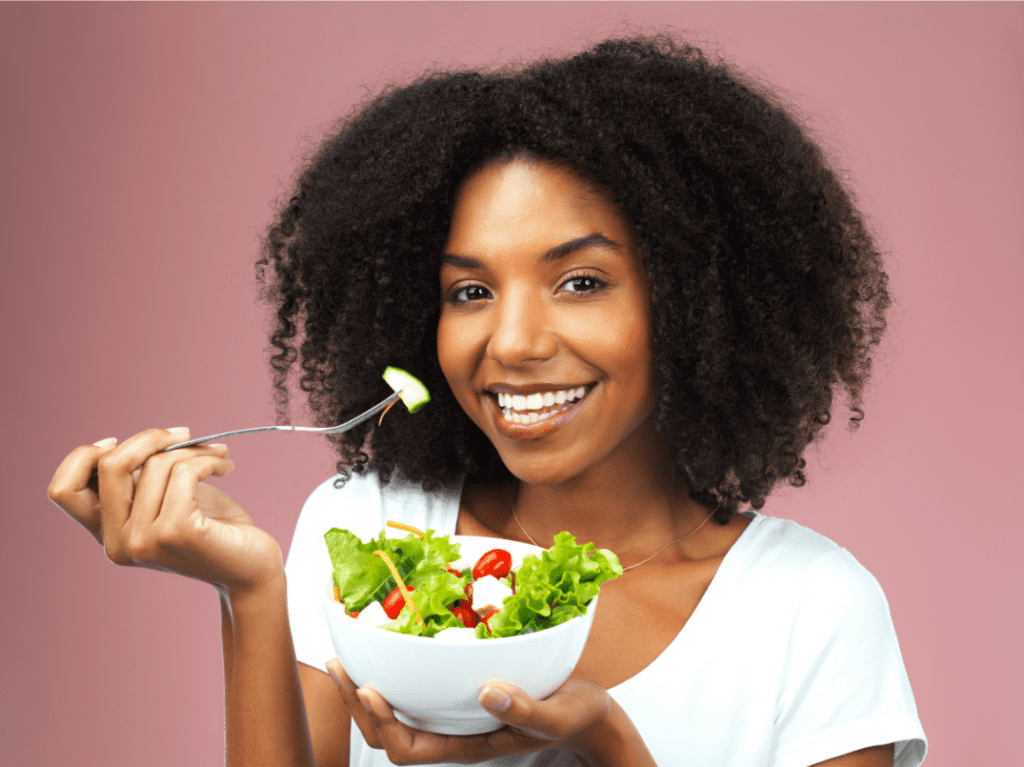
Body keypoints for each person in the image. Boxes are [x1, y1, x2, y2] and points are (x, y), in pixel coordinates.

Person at [48, 33, 927, 767]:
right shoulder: (373, 535)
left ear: (697, 302)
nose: (510, 342)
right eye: (470, 292)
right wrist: (250, 591)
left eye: (580, 281)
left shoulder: (810, 607)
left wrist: (616, 752)